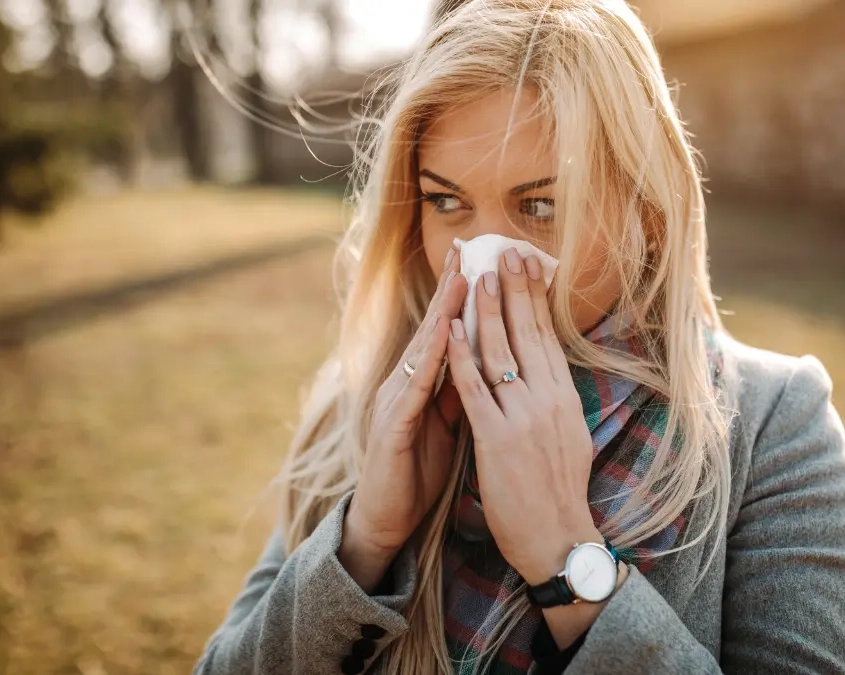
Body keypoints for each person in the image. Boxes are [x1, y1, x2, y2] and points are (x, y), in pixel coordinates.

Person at [193, 1, 845, 673]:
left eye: (539, 205)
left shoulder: (774, 429)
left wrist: (564, 555)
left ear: (647, 213)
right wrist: (362, 541)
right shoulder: (365, 407)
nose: (482, 254)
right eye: (445, 201)